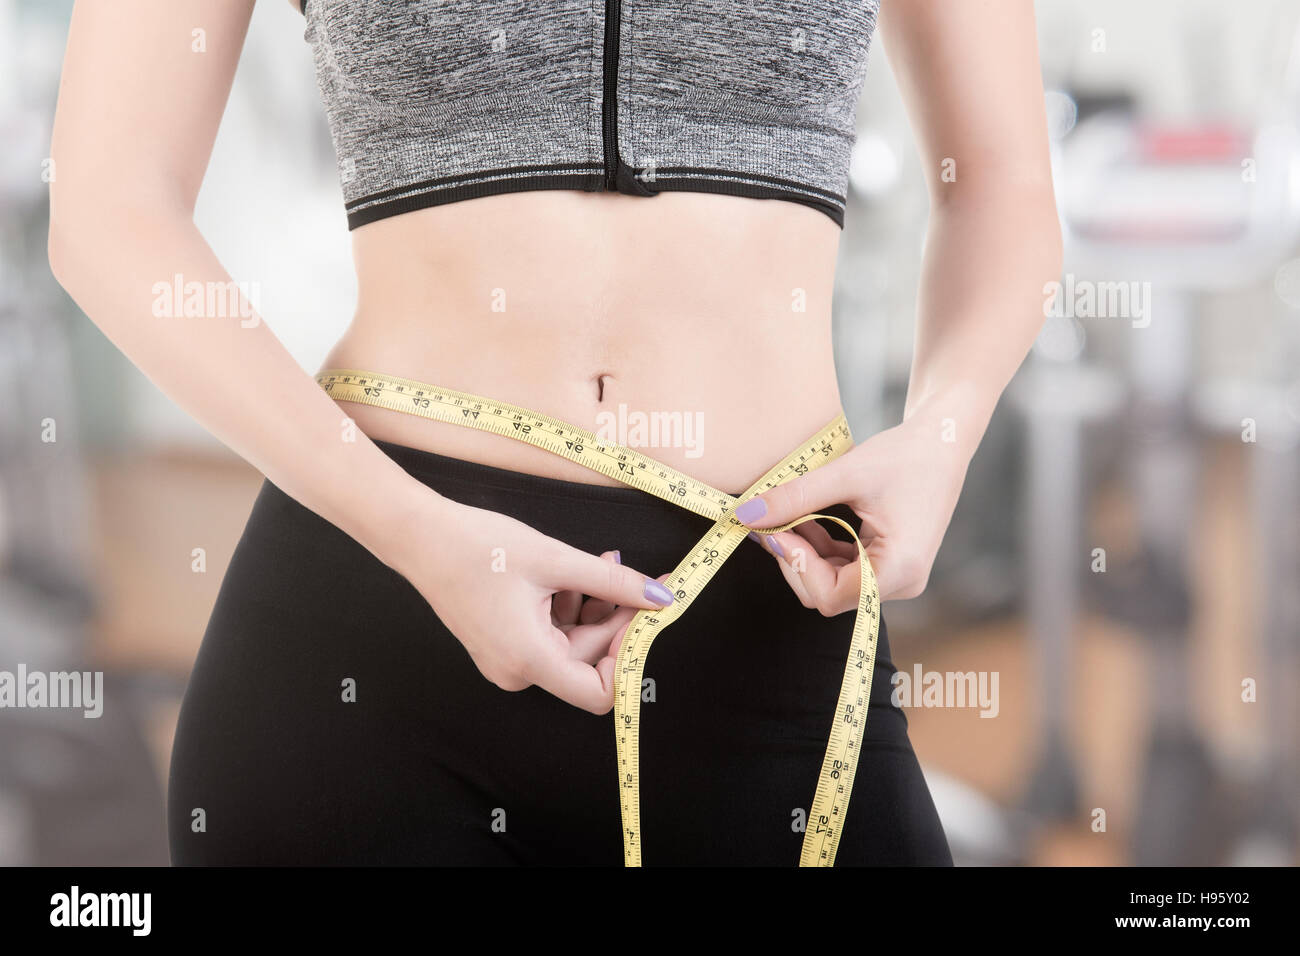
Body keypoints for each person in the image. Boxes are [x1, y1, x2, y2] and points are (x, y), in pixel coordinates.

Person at [48, 0, 1061, 865]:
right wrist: (412, 529)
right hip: (377, 602)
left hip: (768, 601)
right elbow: (107, 207)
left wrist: (945, 432)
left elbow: (1003, 182)